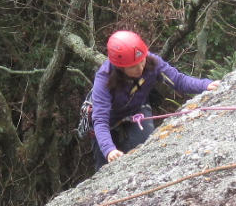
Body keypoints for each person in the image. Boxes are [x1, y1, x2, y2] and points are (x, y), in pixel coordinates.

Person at [91, 30, 220, 170]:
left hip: (136, 111)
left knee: (142, 153)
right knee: (106, 167)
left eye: (142, 61)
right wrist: (109, 150)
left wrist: (205, 85)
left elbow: (178, 80)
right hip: (108, 122)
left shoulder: (152, 62)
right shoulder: (104, 79)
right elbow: (100, 119)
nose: (140, 68)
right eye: (133, 66)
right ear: (120, 67)